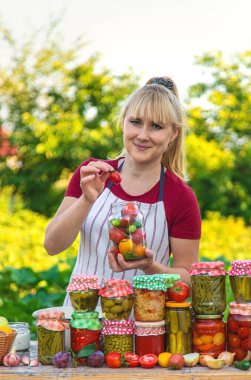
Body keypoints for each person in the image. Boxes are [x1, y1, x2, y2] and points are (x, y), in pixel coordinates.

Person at [44, 76, 201, 306]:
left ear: (173, 133)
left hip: (145, 328)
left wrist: (150, 266)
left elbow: (189, 279)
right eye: (136, 122)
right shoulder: (91, 174)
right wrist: (87, 200)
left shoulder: (180, 197)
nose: (143, 135)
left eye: (156, 126)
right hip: (82, 320)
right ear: (123, 122)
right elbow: (52, 245)